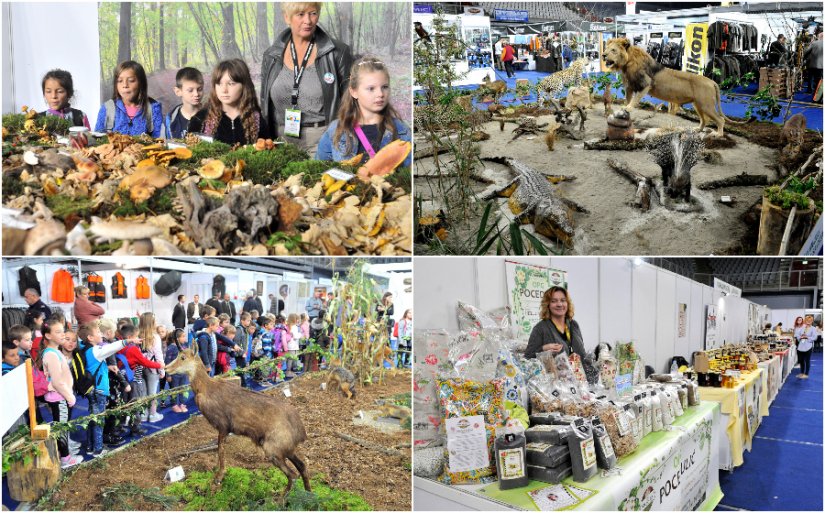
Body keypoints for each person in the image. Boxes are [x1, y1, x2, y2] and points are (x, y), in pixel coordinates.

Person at [260, 2, 353, 151]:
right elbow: (265, 102)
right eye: (300, 14)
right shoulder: (271, 55)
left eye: (313, 13)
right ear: (287, 17)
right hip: (280, 141)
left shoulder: (337, 53)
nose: (308, 21)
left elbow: (349, 103)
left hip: (321, 140)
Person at [316, 57, 411, 167]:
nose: (380, 94)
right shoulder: (335, 130)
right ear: (354, 92)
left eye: (384, 87)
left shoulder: (402, 131)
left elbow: (407, 176)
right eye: (371, 88)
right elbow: (319, 170)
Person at [187, 59, 269, 145]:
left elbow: (267, 152)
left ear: (244, 86)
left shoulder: (256, 120)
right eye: (219, 83)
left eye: (231, 84)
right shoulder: (200, 119)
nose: (224, 90)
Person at [37, 320, 82, 467]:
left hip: (63, 396)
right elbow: (56, 381)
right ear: (48, 335)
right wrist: (69, 396)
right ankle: (65, 459)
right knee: (61, 428)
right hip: (60, 397)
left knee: (64, 425)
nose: (62, 334)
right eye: (58, 332)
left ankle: (65, 452)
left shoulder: (56, 352)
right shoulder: (50, 355)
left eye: (63, 330)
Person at [77, 322, 126, 455]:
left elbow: (94, 365)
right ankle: (98, 449)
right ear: (90, 337)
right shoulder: (95, 350)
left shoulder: (85, 348)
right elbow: (110, 348)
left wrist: (107, 367)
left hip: (92, 389)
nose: (101, 334)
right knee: (99, 420)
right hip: (99, 389)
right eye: (98, 332)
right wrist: (127, 341)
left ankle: (90, 446)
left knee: (93, 417)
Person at [95, 61, 162, 137]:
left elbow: (158, 142)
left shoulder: (153, 108)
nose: (125, 85)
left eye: (131, 81)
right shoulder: (107, 108)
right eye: (120, 81)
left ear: (141, 83)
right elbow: (97, 140)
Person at [524, 286, 587, 360]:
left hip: (578, 371)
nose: (559, 304)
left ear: (567, 303)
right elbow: (528, 357)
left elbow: (582, 354)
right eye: (554, 301)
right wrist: (544, 348)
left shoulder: (574, 324)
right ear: (548, 305)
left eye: (563, 300)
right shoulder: (540, 328)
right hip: (552, 371)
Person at [162, 67, 204, 139]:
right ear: (178, 91)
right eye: (190, 90)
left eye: (199, 89)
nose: (196, 94)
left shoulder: (212, 117)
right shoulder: (170, 120)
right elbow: (163, 145)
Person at [138, 313, 165, 422]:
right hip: (152, 367)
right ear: (152, 323)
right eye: (155, 321)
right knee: (152, 392)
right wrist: (162, 370)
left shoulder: (138, 335)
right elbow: (158, 355)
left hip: (139, 367)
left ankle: (144, 414)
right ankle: (153, 415)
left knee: (143, 392)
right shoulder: (155, 337)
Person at [164, 329, 190, 412]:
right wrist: (168, 375)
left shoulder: (184, 346)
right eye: (183, 336)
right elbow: (167, 362)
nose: (185, 338)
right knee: (174, 390)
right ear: (177, 338)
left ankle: (182, 403)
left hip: (183, 373)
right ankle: (174, 404)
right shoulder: (171, 348)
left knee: (182, 388)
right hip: (174, 374)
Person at [804, 32, 823, 97]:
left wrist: (805, 59)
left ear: (819, 37)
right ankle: (818, 95)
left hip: (812, 64)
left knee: (810, 78)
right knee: (819, 81)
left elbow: (806, 52)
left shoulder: (814, 43)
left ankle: (810, 90)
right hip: (822, 66)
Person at [285, 314, 301, 378]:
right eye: (297, 319)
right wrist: (300, 334)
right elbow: (295, 336)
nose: (298, 320)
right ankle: (288, 372)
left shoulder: (287, 326)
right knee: (291, 359)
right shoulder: (294, 327)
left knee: (288, 359)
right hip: (293, 345)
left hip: (288, 345)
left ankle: (288, 371)